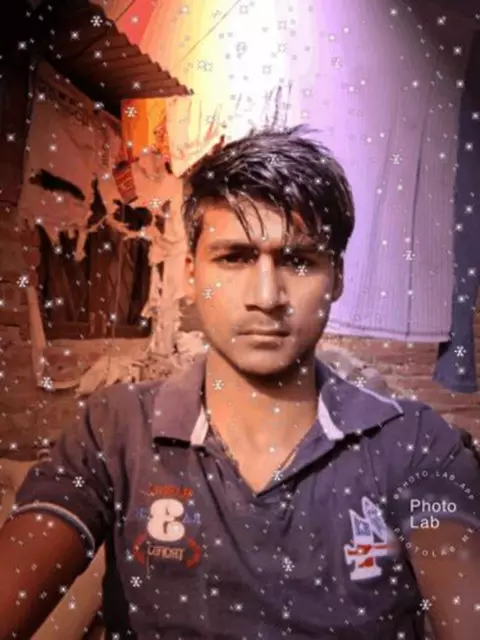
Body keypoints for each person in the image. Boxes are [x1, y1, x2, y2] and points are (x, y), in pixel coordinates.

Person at [0, 126, 479, 640]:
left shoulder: (413, 444)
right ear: (190, 273)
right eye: (234, 257)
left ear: (337, 277)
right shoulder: (115, 430)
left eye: (298, 261)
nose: (266, 296)